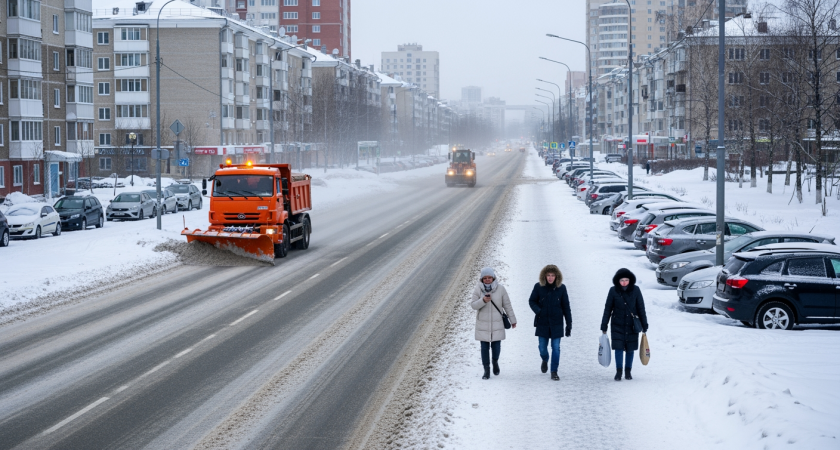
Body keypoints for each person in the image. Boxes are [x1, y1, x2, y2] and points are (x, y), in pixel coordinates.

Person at [600, 268, 649, 381]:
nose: (624, 282)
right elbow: (608, 309)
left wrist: (644, 323)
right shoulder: (613, 291)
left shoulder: (636, 290)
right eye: (622, 280)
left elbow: (641, 308)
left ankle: (628, 371)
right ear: (618, 281)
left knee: (630, 349)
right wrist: (604, 325)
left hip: (632, 325)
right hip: (617, 324)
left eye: (626, 280)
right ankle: (618, 371)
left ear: (630, 280)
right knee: (618, 348)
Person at [471, 267, 517, 380]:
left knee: (496, 347)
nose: (487, 280)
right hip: (483, 324)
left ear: (493, 278)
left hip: (497, 323)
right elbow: (473, 305)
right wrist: (483, 301)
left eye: (489, 278)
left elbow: (507, 305)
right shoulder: (478, 289)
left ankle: (495, 362)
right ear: (482, 279)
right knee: (484, 348)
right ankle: (486, 370)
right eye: (485, 278)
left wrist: (513, 320)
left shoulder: (501, 289)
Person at [528, 265, 572, 381]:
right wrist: (539, 311)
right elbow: (532, 301)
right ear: (544, 276)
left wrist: (569, 324)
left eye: (553, 275)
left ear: (557, 276)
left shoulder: (562, 288)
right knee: (542, 348)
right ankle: (545, 359)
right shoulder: (538, 287)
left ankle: (554, 371)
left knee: (556, 348)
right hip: (542, 322)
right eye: (548, 275)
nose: (550, 278)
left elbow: (566, 307)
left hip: (557, 323)